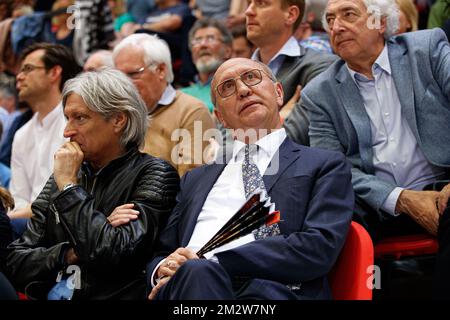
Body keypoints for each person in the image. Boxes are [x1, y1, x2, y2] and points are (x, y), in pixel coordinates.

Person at [146, 57, 354, 300]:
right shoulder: (195, 179)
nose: (244, 90)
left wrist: (214, 260)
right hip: (184, 288)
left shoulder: (324, 165)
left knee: (198, 272)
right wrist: (163, 268)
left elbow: (318, 248)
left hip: (269, 293)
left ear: (278, 92)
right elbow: (162, 251)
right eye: (227, 87)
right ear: (220, 117)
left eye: (251, 78)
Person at [6, 69, 180, 300]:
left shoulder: (155, 174)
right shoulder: (64, 175)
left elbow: (112, 252)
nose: (67, 131)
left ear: (118, 120)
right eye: (67, 118)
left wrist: (69, 188)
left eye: (80, 118)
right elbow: (15, 263)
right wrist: (72, 252)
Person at [286, 0, 450, 240]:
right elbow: (335, 167)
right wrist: (401, 199)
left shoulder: (426, 49)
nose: (336, 27)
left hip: (443, 186)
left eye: (348, 15)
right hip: (378, 204)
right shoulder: (319, 93)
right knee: (325, 213)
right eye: (330, 20)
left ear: (380, 22)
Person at [113, 33, 215, 177]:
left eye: (133, 74)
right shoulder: (117, 115)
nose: (124, 84)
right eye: (119, 76)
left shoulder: (191, 111)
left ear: (161, 70)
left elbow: (191, 181)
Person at [245, 0, 336, 144]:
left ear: (290, 14)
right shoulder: (234, 74)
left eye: (261, 3)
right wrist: (278, 120)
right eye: (249, 3)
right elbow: (219, 147)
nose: (248, 11)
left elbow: (291, 138)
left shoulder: (321, 66)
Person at [9, 43, 80, 221]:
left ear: (54, 73)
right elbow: (18, 198)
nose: (19, 77)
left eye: (28, 69)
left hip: (66, 221)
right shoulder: (21, 134)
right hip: (28, 226)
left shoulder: (74, 125)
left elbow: (67, 193)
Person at [181, 18, 232, 113]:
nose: (203, 45)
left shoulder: (236, 89)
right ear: (192, 54)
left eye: (210, 38)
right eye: (197, 40)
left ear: (227, 51)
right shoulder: (181, 95)